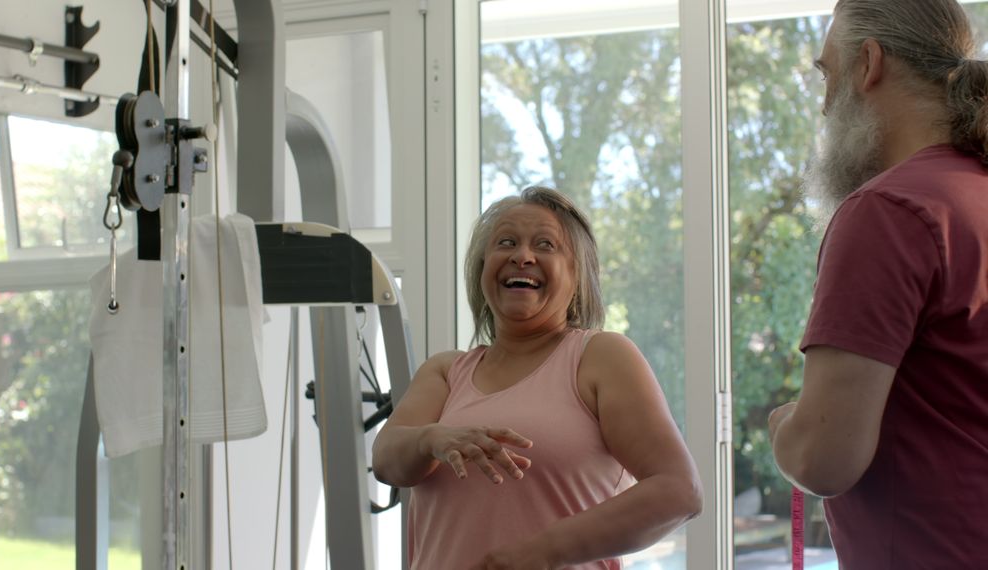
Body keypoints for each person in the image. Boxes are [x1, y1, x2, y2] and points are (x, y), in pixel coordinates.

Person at [372, 186, 701, 569]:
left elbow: (679, 491)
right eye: (506, 242)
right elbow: (386, 461)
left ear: (577, 275)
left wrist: (538, 554)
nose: (522, 256)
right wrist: (432, 437)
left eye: (545, 245)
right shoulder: (447, 371)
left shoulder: (600, 357)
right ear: (483, 269)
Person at [768, 0, 988, 567]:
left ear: (869, 63)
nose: (823, 106)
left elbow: (823, 461)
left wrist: (786, 426)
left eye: (827, 73)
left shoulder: (890, 210)